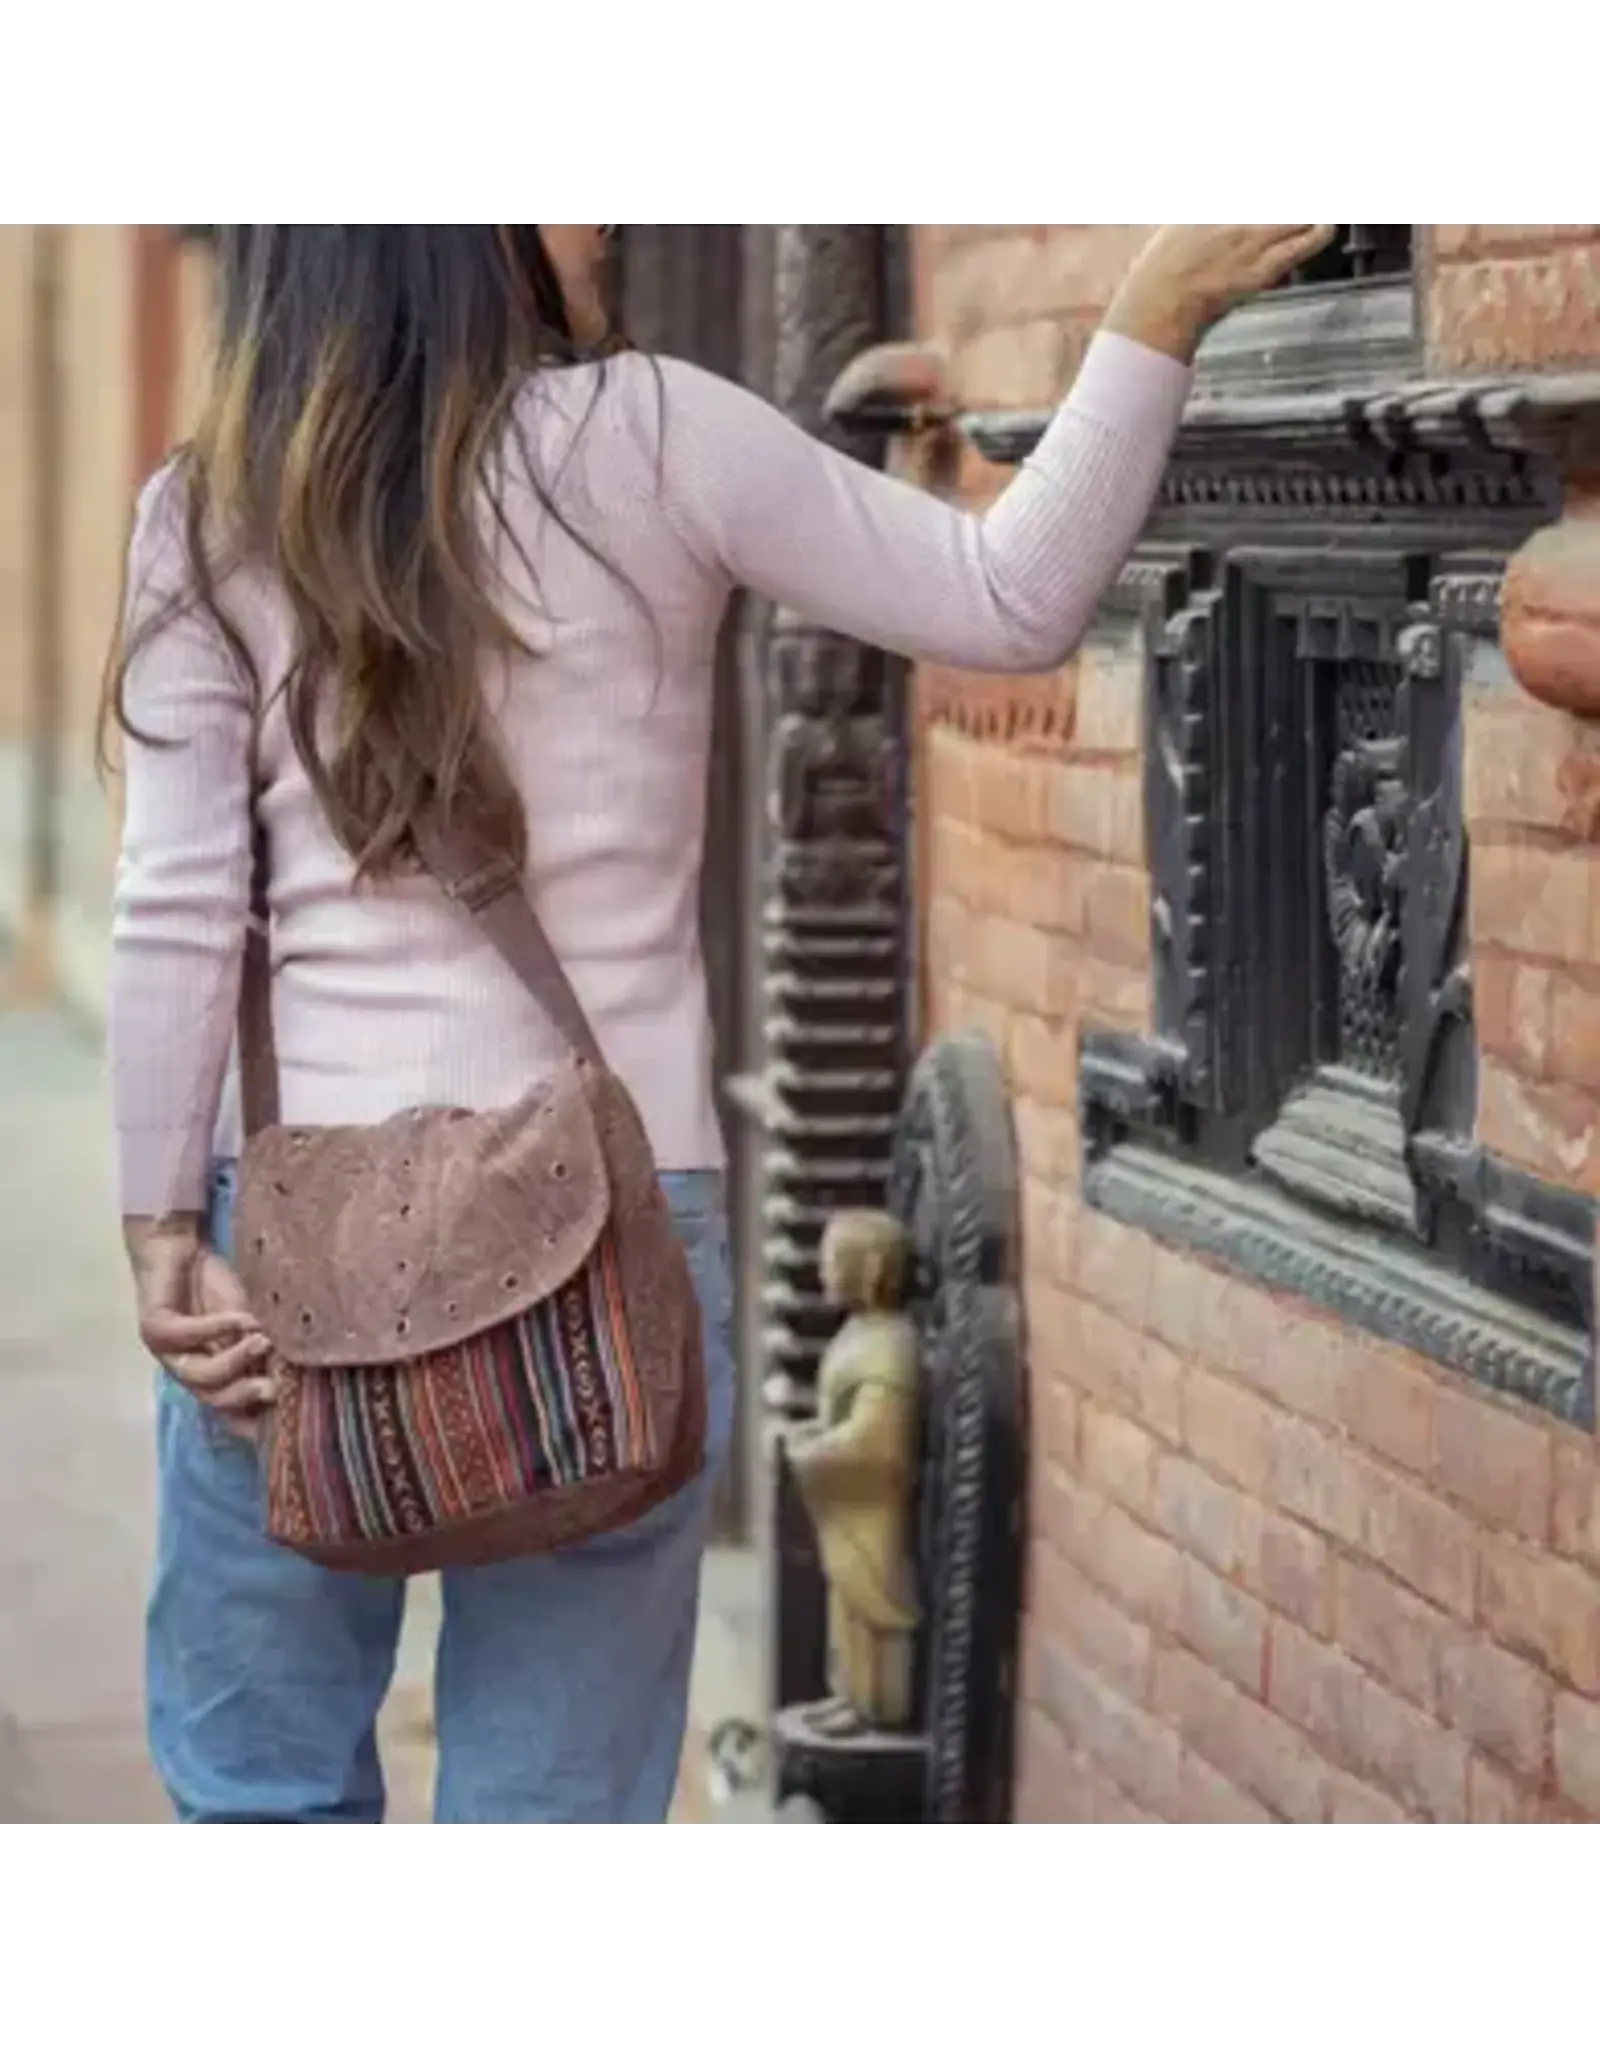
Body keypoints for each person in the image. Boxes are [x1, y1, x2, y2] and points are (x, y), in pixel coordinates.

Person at [102, 221, 1336, 1826]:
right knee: (560, 1795)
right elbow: (1011, 595)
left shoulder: (210, 513)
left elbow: (177, 908)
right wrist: (1157, 300)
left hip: (285, 1250)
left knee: (257, 1783)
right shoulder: (663, 435)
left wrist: (153, 1230)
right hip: (608, 1233)